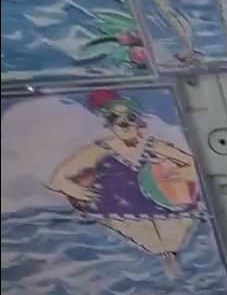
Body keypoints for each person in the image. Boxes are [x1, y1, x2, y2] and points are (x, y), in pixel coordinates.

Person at [46, 90, 202, 278]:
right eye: (117, 120)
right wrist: (77, 191)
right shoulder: (99, 149)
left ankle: (169, 258)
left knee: (169, 245)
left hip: (163, 208)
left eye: (130, 118)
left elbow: (193, 164)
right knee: (158, 250)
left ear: (138, 121)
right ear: (110, 124)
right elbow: (58, 179)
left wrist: (177, 174)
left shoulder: (153, 145)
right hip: (119, 211)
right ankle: (166, 259)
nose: (125, 124)